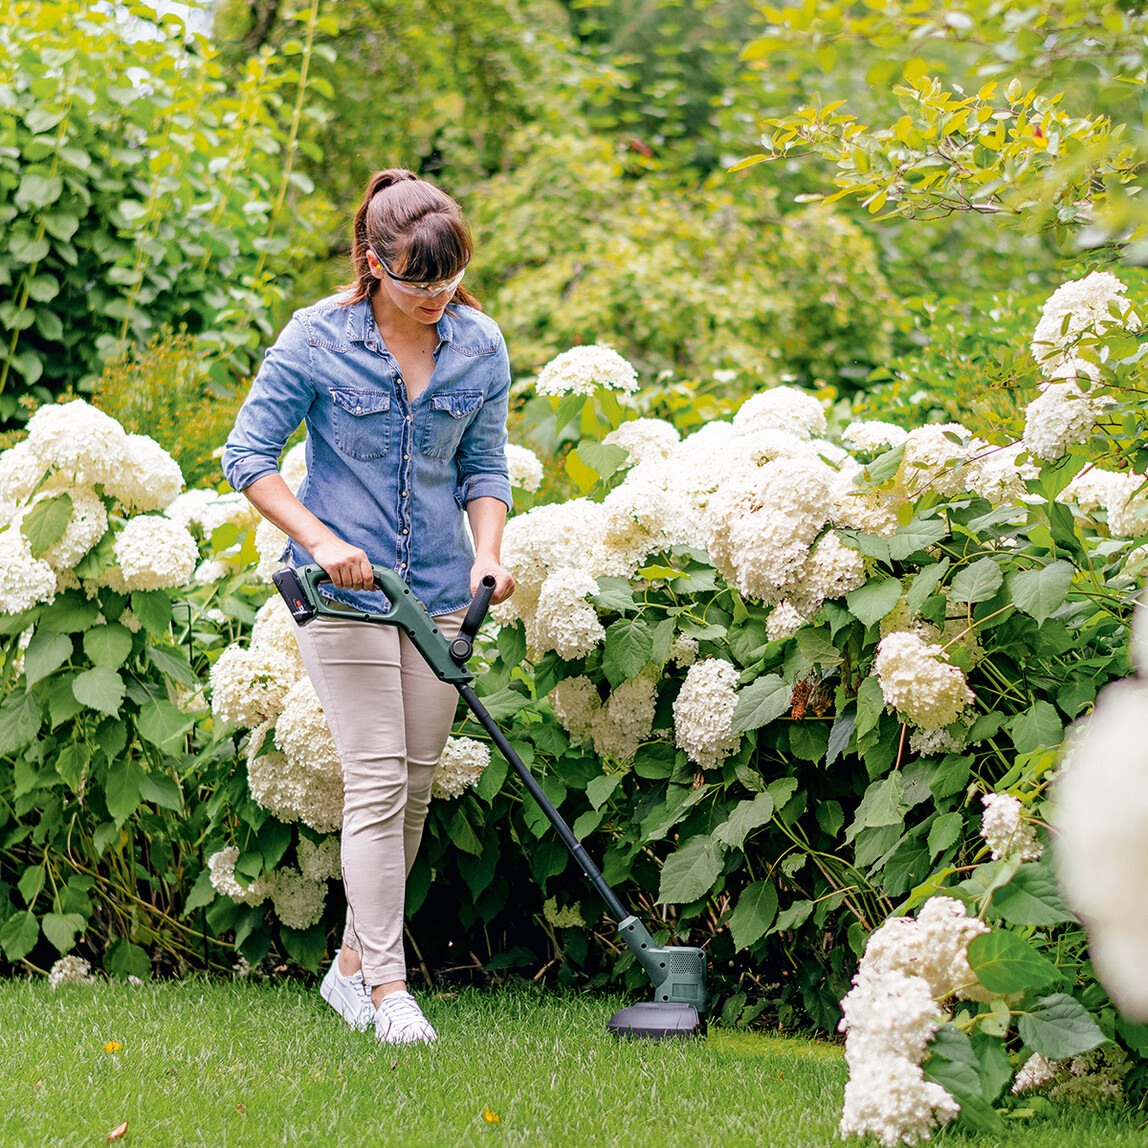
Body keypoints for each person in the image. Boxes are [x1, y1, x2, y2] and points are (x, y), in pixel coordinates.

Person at [222, 169, 515, 1045]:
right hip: (339, 590)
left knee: (415, 789)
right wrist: (320, 541)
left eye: (450, 278)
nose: (438, 297)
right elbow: (249, 456)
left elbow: (485, 469)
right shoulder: (317, 338)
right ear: (373, 262)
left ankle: (347, 970)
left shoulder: (480, 345)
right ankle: (388, 988)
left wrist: (490, 553)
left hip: (434, 591)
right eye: (419, 281)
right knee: (379, 775)